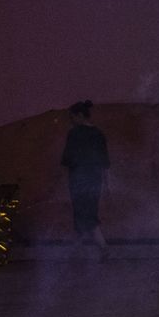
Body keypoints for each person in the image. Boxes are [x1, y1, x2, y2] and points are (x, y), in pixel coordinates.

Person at [60, 100, 109, 260]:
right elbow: (104, 161)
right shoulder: (99, 134)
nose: (71, 120)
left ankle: (96, 249)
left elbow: (68, 159)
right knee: (89, 214)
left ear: (79, 116)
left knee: (82, 215)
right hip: (95, 180)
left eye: (72, 117)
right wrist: (106, 183)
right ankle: (85, 250)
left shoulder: (74, 134)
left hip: (78, 180)